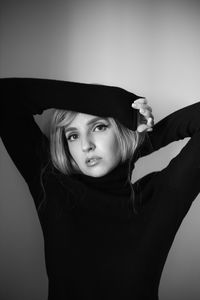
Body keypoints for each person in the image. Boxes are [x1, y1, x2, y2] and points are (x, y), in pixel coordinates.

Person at [0, 77, 200, 300]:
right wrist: (116, 101)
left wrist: (139, 141)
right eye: (73, 135)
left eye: (99, 126)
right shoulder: (53, 186)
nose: (86, 145)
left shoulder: (158, 198)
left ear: (124, 131)